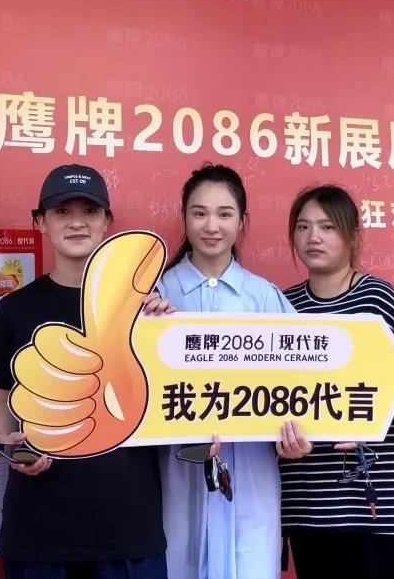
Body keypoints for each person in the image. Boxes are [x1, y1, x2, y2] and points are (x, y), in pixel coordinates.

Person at [0, 164, 168, 579]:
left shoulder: (148, 312)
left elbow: (174, 406)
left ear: (107, 221)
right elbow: (2, 404)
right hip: (39, 530)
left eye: (89, 211)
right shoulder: (16, 308)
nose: (77, 222)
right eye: (62, 212)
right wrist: (15, 449)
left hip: (128, 529)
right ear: (40, 222)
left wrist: (166, 327)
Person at [276, 185, 394, 579]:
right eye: (303, 227)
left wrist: (367, 419)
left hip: (377, 503)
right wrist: (277, 437)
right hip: (310, 502)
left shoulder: (380, 299)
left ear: (352, 235)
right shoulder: (281, 307)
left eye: (327, 227)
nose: (313, 237)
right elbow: (261, 396)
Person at [154, 163, 295, 579]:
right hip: (178, 469)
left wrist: (298, 433)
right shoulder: (156, 295)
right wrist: (145, 326)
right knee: (179, 559)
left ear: (242, 221)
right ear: (184, 217)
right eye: (199, 213)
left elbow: (300, 386)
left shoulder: (264, 298)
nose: (211, 225)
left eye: (224, 214)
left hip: (250, 472)